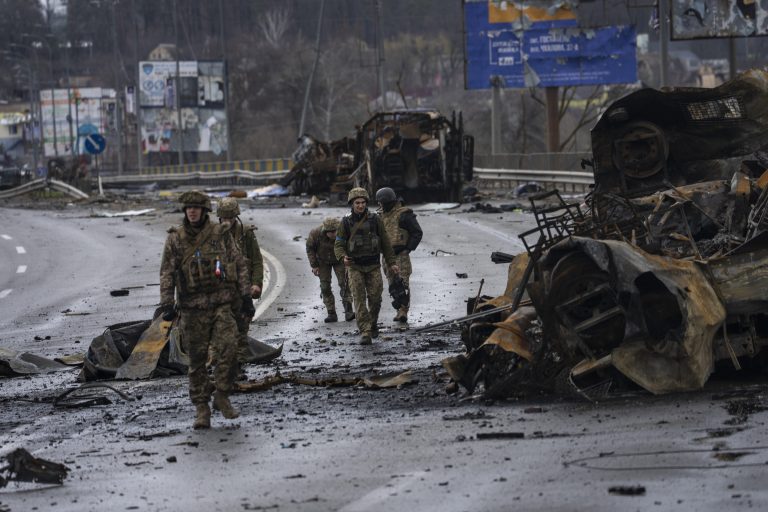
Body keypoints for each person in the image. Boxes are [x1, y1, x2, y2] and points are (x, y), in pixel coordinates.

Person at [159, 190, 254, 430]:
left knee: (231, 348)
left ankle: (222, 393)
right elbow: (167, 273)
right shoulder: (175, 239)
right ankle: (202, 408)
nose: (192, 211)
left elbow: (239, 263)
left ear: (204, 211)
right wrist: (166, 304)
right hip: (192, 309)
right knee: (197, 362)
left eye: (196, 208)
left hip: (221, 304)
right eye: (188, 208)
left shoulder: (219, 234)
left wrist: (245, 297)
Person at [334, 187, 399, 345]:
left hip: (373, 266)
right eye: (357, 203)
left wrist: (392, 263)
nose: (360, 206)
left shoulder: (375, 219)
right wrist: (343, 257)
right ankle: (365, 331)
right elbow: (339, 244)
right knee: (359, 299)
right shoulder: (346, 222)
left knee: (376, 298)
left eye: (363, 202)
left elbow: (385, 242)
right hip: (355, 267)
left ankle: (373, 322)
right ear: (352, 204)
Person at [216, 197, 264, 365]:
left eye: (230, 218)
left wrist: (257, 283)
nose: (227, 221)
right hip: (221, 292)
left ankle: (239, 368)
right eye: (224, 218)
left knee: (242, 330)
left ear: (236, 217)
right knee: (223, 331)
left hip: (244, 290)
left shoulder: (247, 235)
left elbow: (257, 261)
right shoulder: (213, 236)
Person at [376, 187, 423, 323]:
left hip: (401, 255)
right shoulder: (380, 216)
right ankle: (399, 311)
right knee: (393, 285)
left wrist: (408, 248)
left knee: (402, 283)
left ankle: (403, 311)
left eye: (381, 202)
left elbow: (417, 232)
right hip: (386, 256)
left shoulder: (404, 214)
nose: (379, 205)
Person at [306, 217, 354, 323]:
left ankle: (348, 310)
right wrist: (314, 265)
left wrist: (348, 260)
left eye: (335, 231)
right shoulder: (315, 234)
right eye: (331, 232)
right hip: (322, 261)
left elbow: (351, 246)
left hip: (340, 259)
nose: (334, 234)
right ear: (325, 231)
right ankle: (331, 312)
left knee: (344, 283)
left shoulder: (344, 232)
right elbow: (310, 249)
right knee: (325, 286)